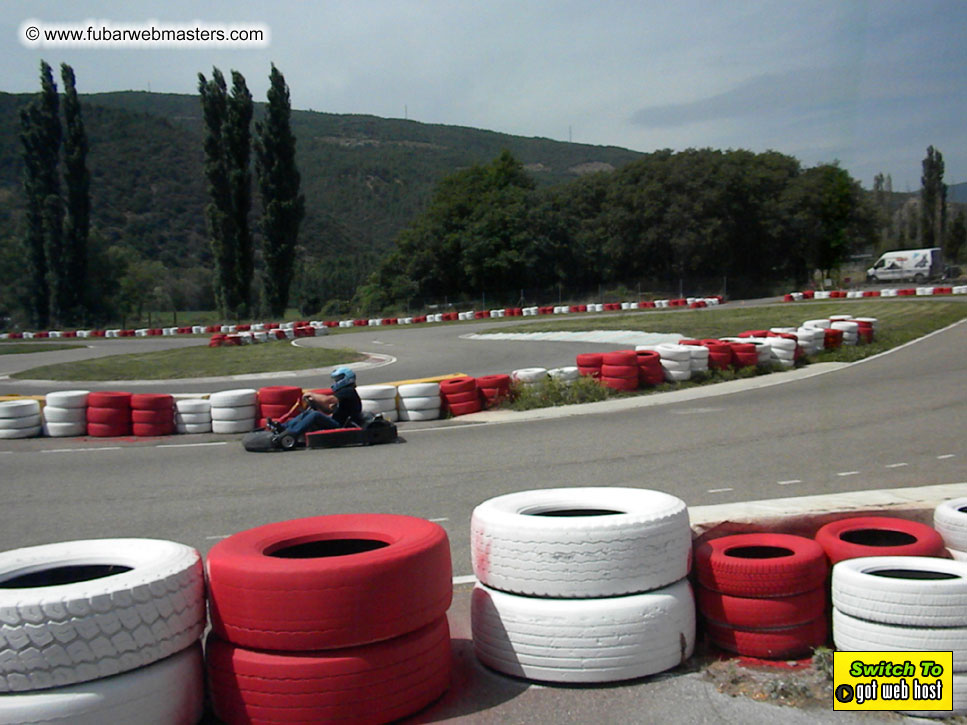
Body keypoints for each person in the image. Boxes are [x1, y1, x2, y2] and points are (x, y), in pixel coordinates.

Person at [266, 367, 365, 436]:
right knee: (309, 412)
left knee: (315, 415)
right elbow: (328, 409)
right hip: (338, 421)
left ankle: (291, 434)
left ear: (346, 379)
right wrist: (316, 404)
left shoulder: (348, 391)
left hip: (342, 426)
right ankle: (283, 428)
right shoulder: (345, 392)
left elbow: (328, 400)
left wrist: (312, 395)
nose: (335, 382)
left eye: (337, 379)